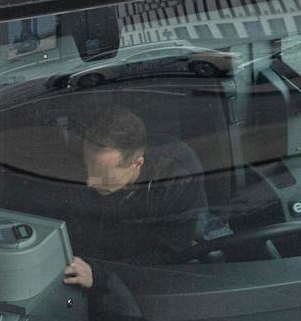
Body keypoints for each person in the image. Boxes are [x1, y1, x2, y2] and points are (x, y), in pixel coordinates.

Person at [61, 104, 206, 285]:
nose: (90, 181)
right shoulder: (86, 169)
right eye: (87, 167)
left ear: (137, 164)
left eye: (104, 176)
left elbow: (168, 255)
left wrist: (100, 275)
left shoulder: (176, 181)